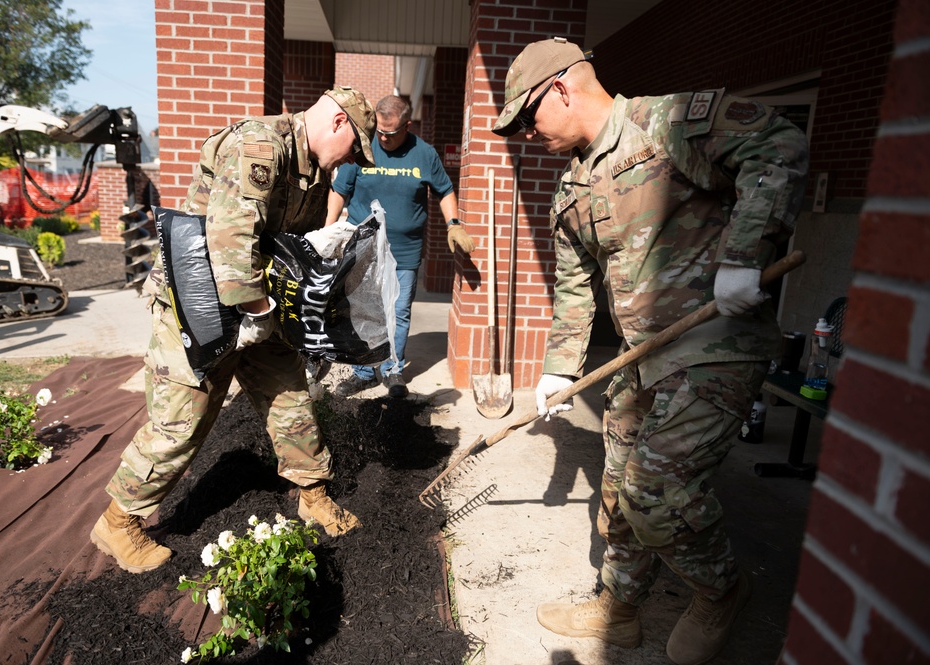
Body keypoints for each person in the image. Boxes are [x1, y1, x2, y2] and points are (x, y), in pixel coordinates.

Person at [492, 38, 808, 665]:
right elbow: (576, 286)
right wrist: (559, 367)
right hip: (643, 358)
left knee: (655, 493)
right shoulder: (571, 188)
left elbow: (779, 145)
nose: (527, 134)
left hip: (715, 347)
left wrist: (746, 256)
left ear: (560, 88)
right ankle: (620, 610)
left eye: (528, 117)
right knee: (616, 493)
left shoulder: (668, 124)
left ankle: (721, 591)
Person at [90, 87, 378, 574]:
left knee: (290, 399)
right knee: (183, 422)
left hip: (255, 307)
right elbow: (230, 238)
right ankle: (119, 523)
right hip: (198, 304)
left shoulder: (309, 168)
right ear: (338, 124)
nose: (349, 161)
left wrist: (323, 252)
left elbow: (282, 245)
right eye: (354, 148)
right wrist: (261, 314)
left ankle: (312, 495)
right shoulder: (260, 146)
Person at [326, 95, 475, 399]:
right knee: (363, 308)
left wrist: (454, 223)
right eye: (380, 131)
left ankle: (393, 370)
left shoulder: (424, 154)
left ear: (408, 125)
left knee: (399, 311)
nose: (383, 138)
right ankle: (364, 372)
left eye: (391, 133)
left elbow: (445, 191)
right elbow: (339, 191)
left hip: (405, 252)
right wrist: (329, 233)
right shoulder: (363, 148)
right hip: (364, 247)